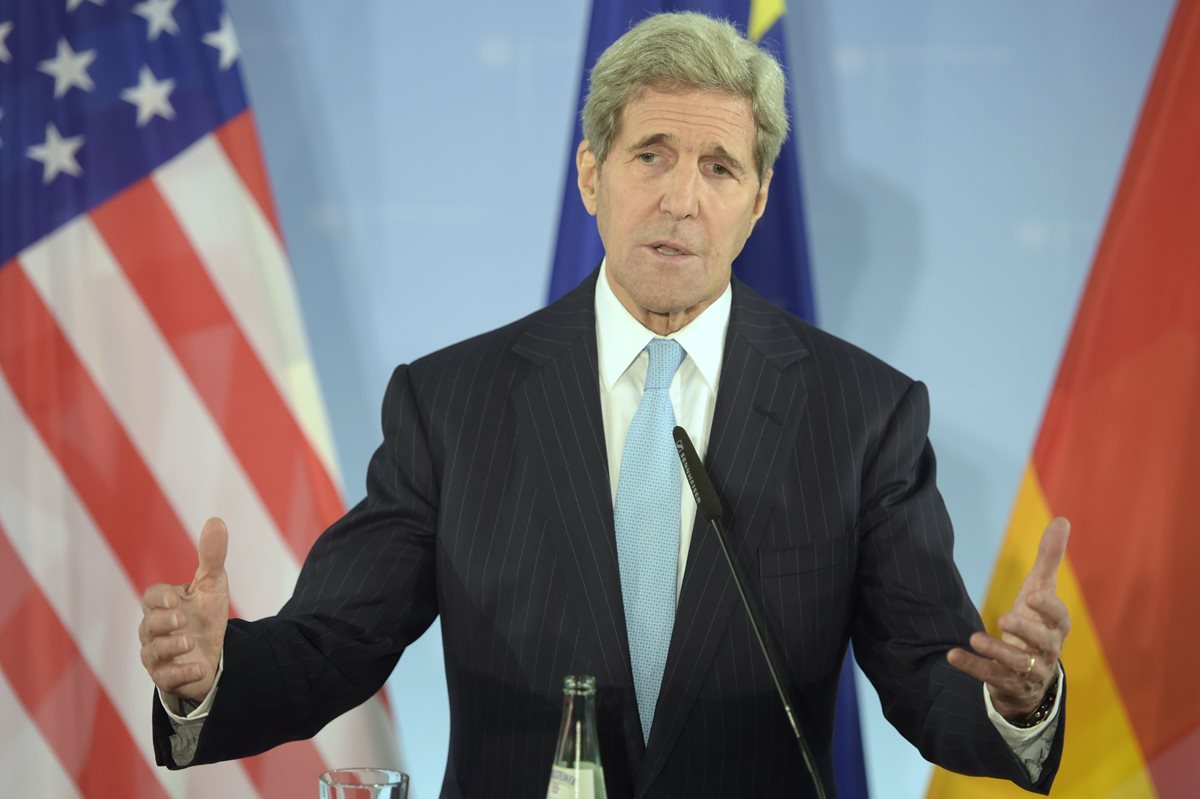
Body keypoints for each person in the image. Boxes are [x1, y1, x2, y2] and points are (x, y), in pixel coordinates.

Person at [138, 12, 1069, 797]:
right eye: (651, 155)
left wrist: (1017, 701)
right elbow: (338, 641)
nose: (680, 198)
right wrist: (214, 672)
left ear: (756, 202)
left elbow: (924, 672)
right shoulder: (452, 403)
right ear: (591, 176)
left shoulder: (863, 413)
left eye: (718, 168)